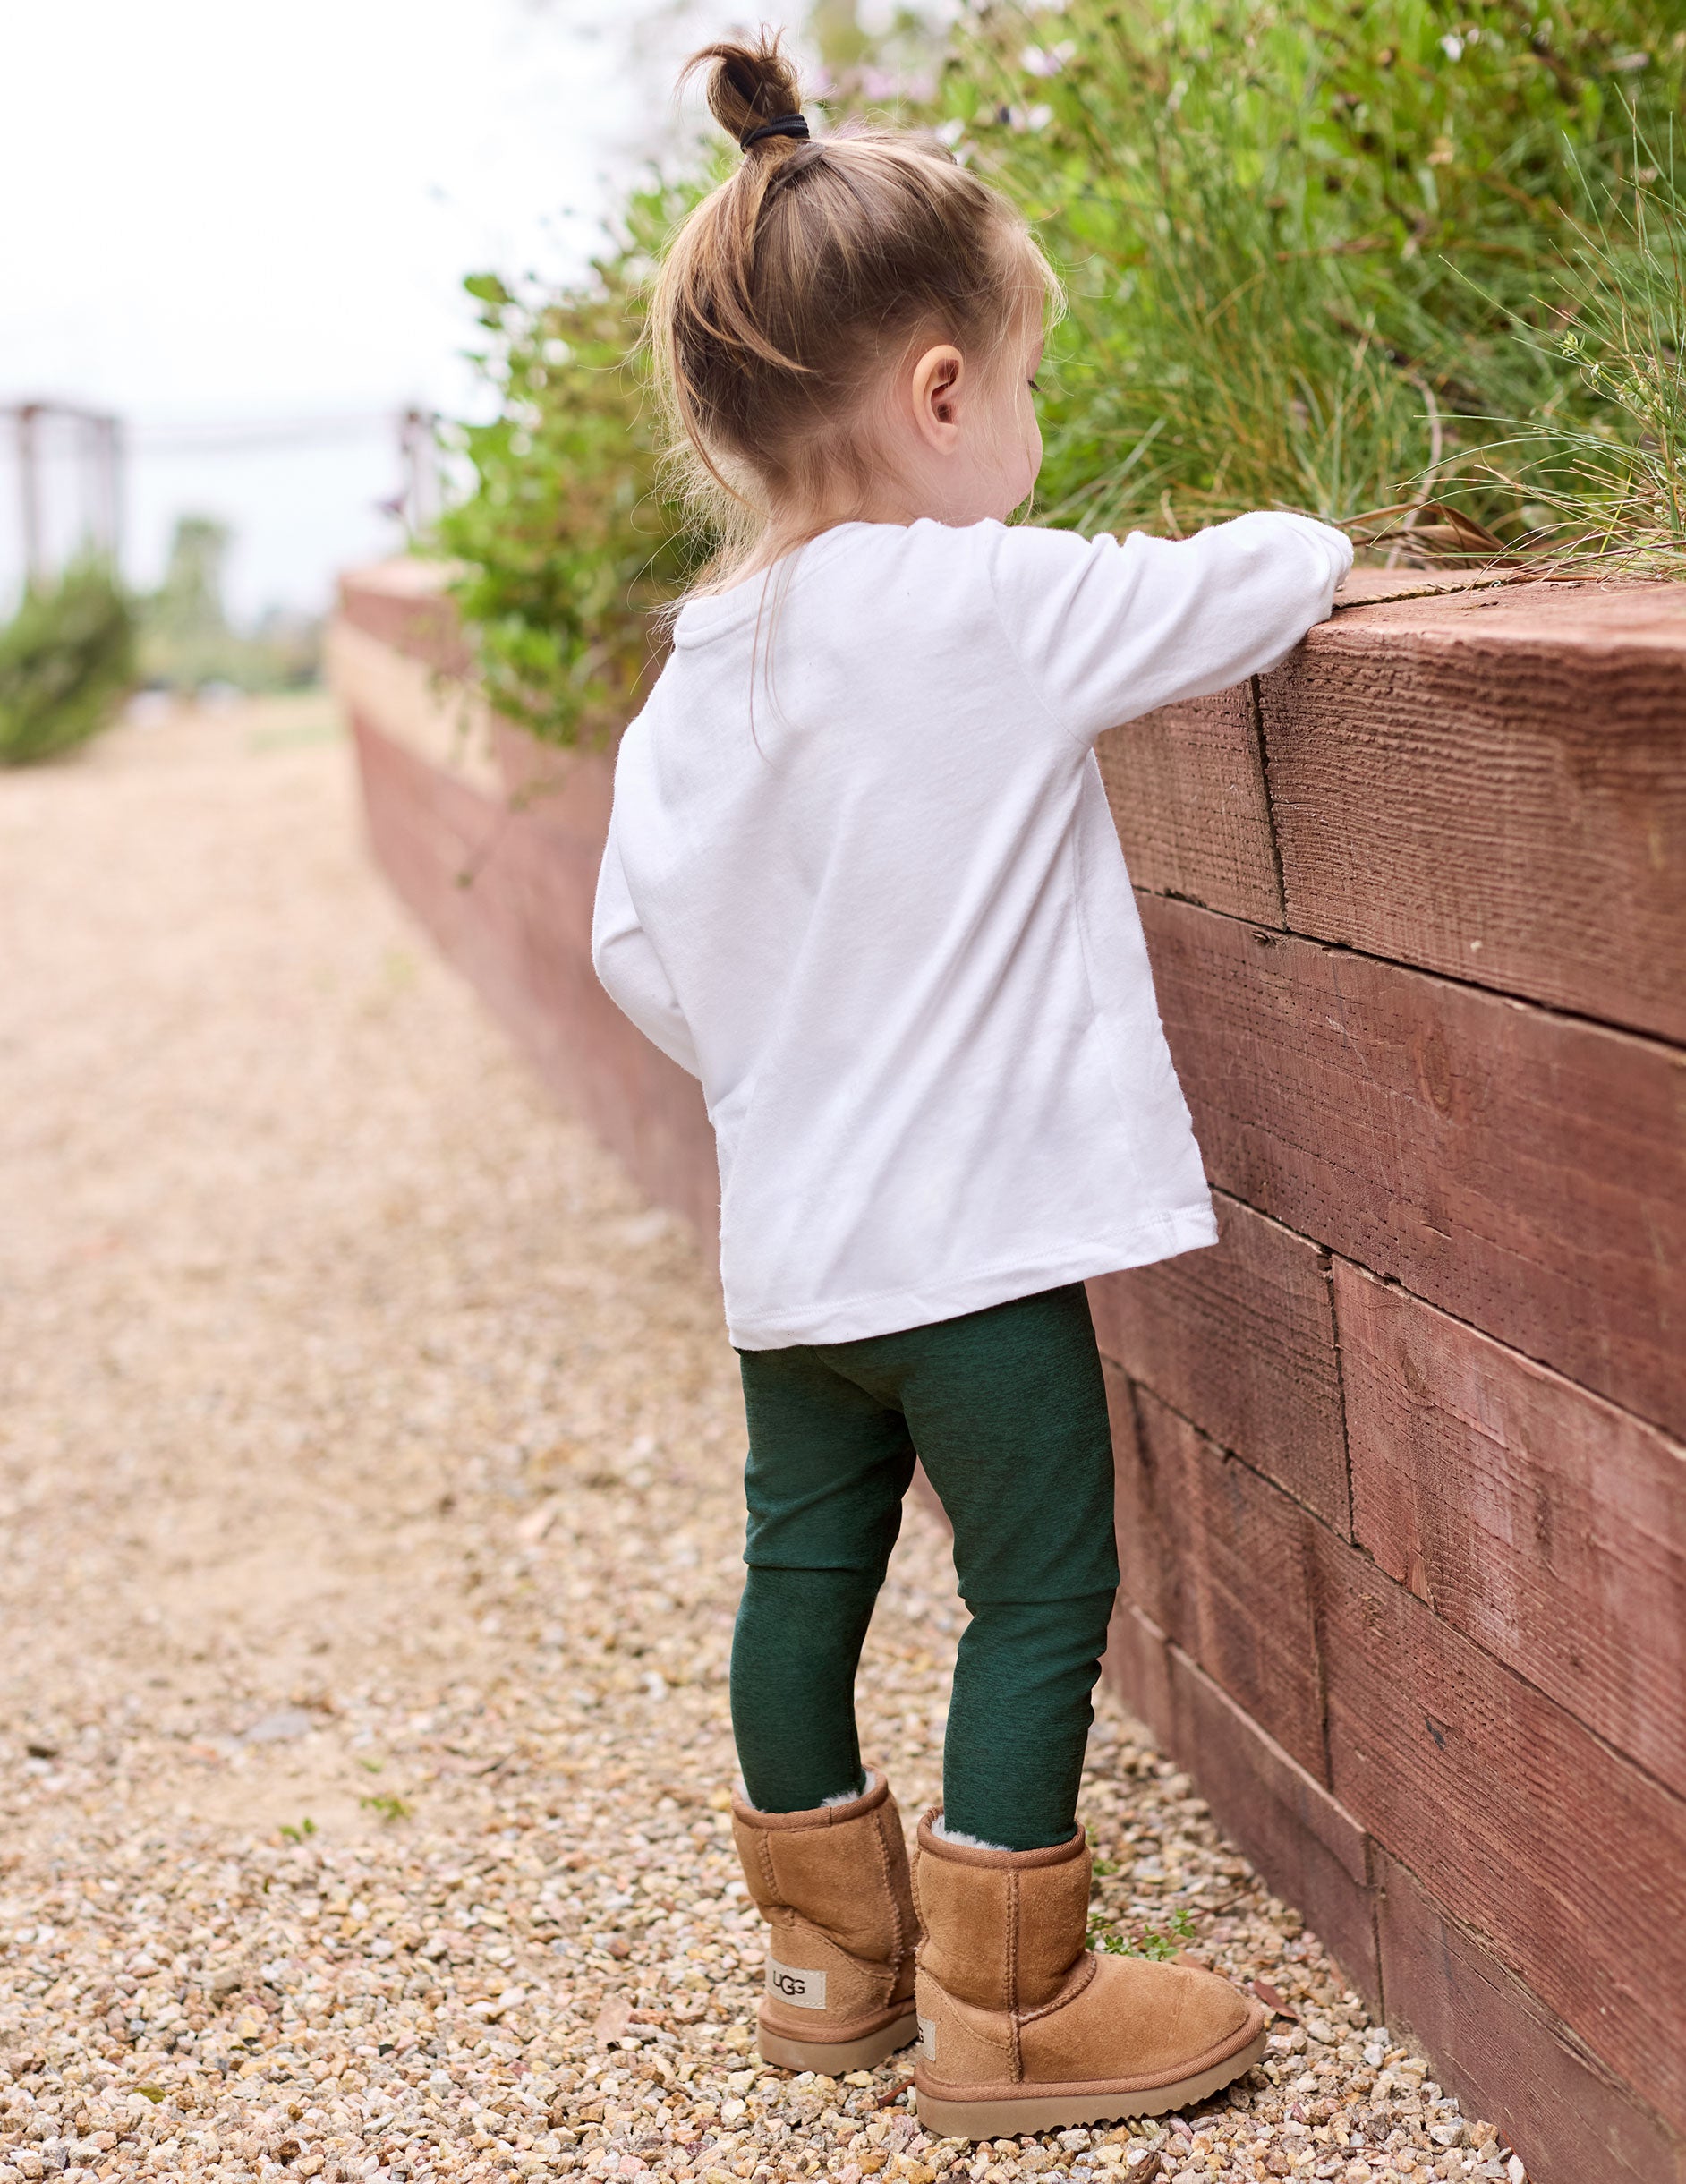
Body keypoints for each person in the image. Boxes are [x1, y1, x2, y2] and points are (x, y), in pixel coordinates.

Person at [592, 32, 1352, 2138]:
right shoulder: (989, 603)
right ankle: (1013, 2001)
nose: (1025, 421)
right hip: (972, 1258)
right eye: (1015, 383)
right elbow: (1251, 588)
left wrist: (783, 1058)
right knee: (1038, 1583)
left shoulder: (699, 668)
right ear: (941, 392)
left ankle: (829, 1962)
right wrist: (1322, 517)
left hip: (796, 1261)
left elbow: (630, 948)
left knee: (800, 1575)